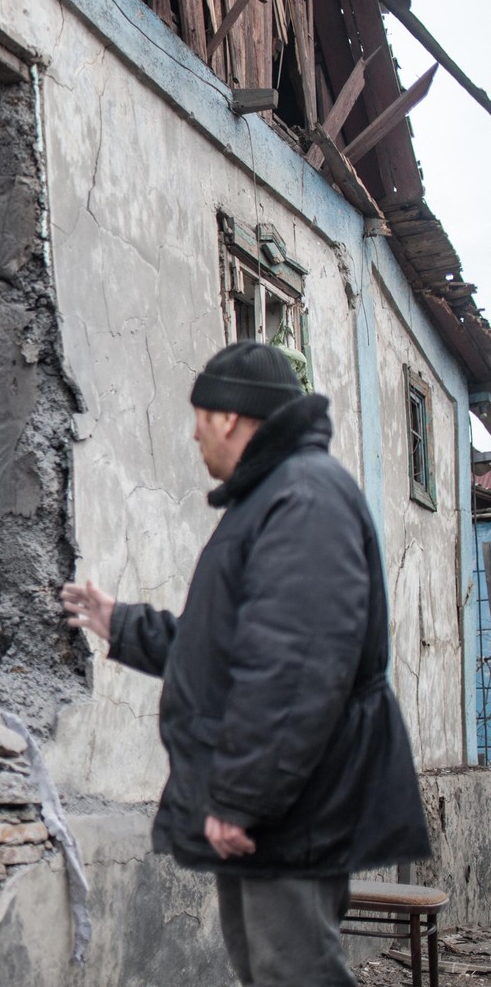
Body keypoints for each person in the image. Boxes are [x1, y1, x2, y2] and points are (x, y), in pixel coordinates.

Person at [60, 341, 429, 987]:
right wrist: (119, 623)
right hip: (279, 802)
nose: (193, 432)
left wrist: (241, 797)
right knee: (266, 969)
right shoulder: (273, 497)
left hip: (290, 807)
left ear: (229, 417)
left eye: (198, 415)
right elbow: (224, 648)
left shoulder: (305, 499)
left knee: (295, 972)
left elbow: (296, 668)